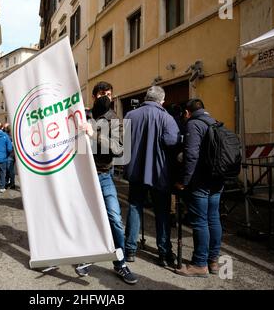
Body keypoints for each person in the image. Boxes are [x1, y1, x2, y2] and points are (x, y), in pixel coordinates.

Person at [77, 81, 138, 285]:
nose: (107, 97)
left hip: (103, 176)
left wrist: (94, 134)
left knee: (114, 218)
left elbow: (119, 148)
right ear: (94, 96)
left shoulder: (115, 120)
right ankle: (85, 257)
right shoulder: (82, 115)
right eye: (103, 93)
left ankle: (119, 262)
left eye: (110, 94)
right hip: (82, 177)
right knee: (86, 219)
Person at [123, 85, 181, 267]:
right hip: (159, 172)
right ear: (161, 100)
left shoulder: (130, 116)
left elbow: (123, 141)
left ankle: (130, 249)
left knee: (134, 207)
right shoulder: (166, 117)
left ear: (146, 97)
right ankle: (164, 253)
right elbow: (171, 141)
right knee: (162, 213)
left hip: (136, 171)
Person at [175, 99, 223, 277]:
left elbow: (191, 155)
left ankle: (200, 264)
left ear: (187, 112)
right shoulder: (215, 122)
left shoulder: (194, 124)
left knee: (200, 221)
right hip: (218, 179)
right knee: (213, 218)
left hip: (201, 181)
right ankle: (213, 261)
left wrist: (184, 181)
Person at [3, 124, 16, 190]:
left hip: (9, 155)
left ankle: (11, 183)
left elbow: (9, 147)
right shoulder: (13, 135)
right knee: (9, 169)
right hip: (12, 155)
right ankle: (9, 182)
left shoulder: (7, 136)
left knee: (9, 170)